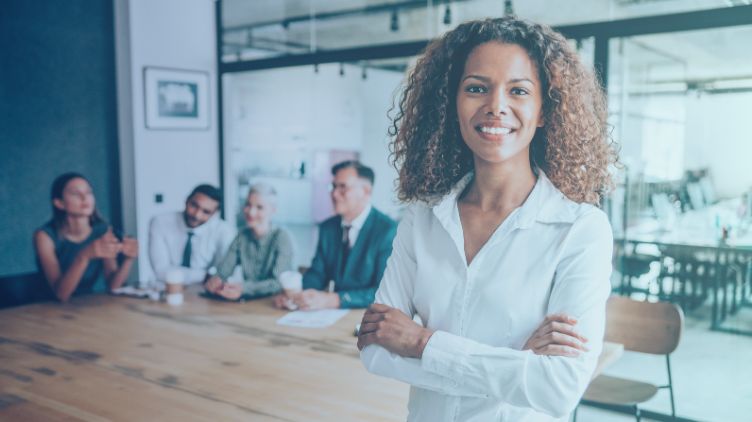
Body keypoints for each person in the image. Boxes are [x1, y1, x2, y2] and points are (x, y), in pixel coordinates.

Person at [357, 17, 619, 421]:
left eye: (518, 90)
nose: (496, 106)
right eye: (476, 88)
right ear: (452, 103)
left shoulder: (580, 231)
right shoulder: (422, 218)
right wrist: (515, 364)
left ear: (545, 110)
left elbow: (559, 389)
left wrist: (422, 343)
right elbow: (375, 349)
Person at [272, 161, 398, 310]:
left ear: (365, 191)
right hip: (331, 318)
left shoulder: (388, 231)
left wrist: (333, 300)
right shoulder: (328, 227)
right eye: (334, 186)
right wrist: (294, 295)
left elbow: (384, 292)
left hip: (368, 317)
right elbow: (318, 273)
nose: (334, 194)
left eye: (343, 187)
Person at [34, 173, 138, 303]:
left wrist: (129, 259)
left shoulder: (103, 230)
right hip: (46, 308)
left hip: (86, 304)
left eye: (88, 192)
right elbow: (61, 295)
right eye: (75, 193)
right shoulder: (44, 236)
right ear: (59, 203)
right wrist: (84, 255)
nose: (84, 198)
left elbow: (113, 286)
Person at [204, 184, 295, 300]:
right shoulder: (241, 236)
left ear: (272, 211)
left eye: (259, 207)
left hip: (276, 303)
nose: (251, 212)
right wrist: (216, 279)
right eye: (248, 204)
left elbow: (279, 283)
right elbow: (224, 270)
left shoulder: (282, 237)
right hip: (248, 304)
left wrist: (243, 288)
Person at [149, 184, 235, 285]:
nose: (197, 215)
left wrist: (215, 278)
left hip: (205, 291)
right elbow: (161, 271)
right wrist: (205, 276)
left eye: (206, 211)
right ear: (186, 200)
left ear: (214, 213)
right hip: (168, 288)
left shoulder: (223, 230)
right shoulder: (160, 221)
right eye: (194, 205)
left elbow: (224, 272)